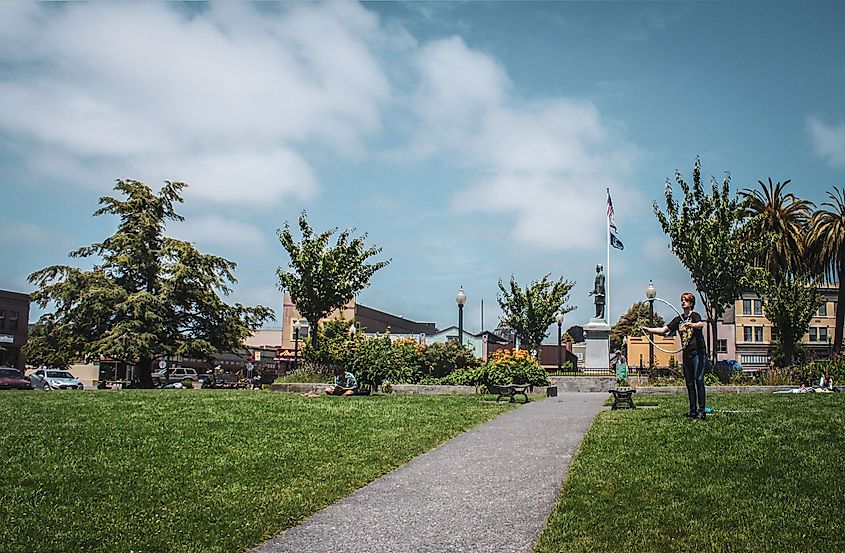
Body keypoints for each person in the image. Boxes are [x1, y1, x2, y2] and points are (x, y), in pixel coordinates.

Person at [642, 292, 708, 420]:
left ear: (691, 303)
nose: (683, 302)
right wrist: (647, 329)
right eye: (682, 300)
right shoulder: (678, 319)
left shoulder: (695, 316)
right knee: (689, 383)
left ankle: (702, 410)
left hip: (698, 353)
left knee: (699, 379)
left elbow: (701, 324)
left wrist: (691, 325)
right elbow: (663, 330)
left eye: (686, 300)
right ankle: (693, 410)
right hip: (687, 354)